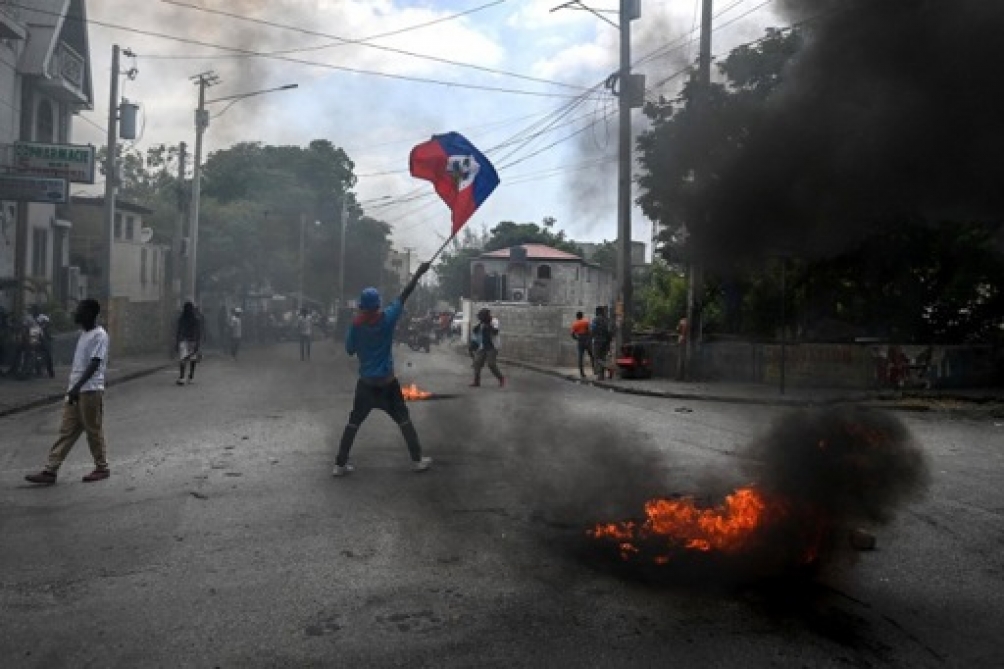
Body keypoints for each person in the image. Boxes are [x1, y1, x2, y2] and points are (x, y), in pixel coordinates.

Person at [333, 262, 433, 477]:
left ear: (361, 306)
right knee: (404, 420)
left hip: (366, 385)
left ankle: (340, 464)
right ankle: (416, 460)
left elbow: (350, 350)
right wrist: (418, 273)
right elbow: (403, 295)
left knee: (353, 422)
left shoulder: (356, 325)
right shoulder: (387, 318)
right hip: (387, 384)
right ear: (378, 305)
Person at [24, 299, 111, 485]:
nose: (75, 313)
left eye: (79, 311)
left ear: (90, 314)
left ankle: (102, 467)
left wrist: (77, 387)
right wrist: (73, 388)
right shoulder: (83, 334)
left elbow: (95, 363)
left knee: (93, 430)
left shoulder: (99, 335)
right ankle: (50, 470)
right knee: (67, 431)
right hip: (76, 390)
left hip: (90, 390)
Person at [470, 307, 505, 388]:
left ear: (486, 316)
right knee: (476, 362)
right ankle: (476, 381)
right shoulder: (482, 322)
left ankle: (501, 378)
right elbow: (476, 332)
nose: (480, 319)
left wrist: (488, 325)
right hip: (483, 346)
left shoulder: (494, 321)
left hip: (492, 346)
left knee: (491, 364)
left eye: (482, 317)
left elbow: (495, 332)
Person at [175, 301, 201, 385]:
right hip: (192, 341)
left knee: (183, 359)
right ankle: (191, 376)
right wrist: (197, 343)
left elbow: (178, 331)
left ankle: (182, 377)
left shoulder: (181, 319)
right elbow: (198, 332)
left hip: (183, 340)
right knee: (192, 359)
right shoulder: (195, 319)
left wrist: (177, 342)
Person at [590, 306, 613, 380]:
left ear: (597, 312)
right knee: (603, 357)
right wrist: (609, 341)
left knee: (597, 358)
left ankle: (607, 366)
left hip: (597, 341)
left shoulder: (595, 320)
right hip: (606, 342)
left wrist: (592, 337)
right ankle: (601, 376)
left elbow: (592, 330)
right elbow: (610, 332)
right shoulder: (607, 320)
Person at [570, 310, 593, 378]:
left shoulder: (575, 324)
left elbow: (572, 334)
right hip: (587, 339)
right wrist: (590, 338)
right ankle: (595, 369)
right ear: (582, 316)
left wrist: (577, 338)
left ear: (577, 317)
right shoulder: (586, 322)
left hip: (580, 340)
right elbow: (590, 331)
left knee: (580, 357)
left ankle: (582, 373)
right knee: (591, 355)